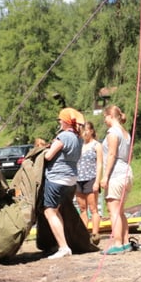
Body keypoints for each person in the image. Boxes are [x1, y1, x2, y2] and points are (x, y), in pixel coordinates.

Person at [42, 108, 83, 259]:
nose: (59, 122)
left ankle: (64, 247)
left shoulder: (63, 136)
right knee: (56, 211)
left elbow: (48, 156)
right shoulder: (78, 138)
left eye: (60, 119)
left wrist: (45, 149)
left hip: (57, 178)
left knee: (49, 212)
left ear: (65, 122)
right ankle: (63, 244)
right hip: (71, 179)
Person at [99, 105, 133, 255]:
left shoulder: (113, 132)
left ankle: (118, 243)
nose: (104, 120)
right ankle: (126, 242)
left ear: (110, 116)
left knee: (113, 211)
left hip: (116, 174)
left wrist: (105, 176)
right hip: (126, 173)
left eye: (105, 117)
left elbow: (112, 155)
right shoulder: (126, 133)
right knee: (121, 211)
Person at [75, 121, 103, 245]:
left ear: (91, 131)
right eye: (82, 131)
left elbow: (100, 164)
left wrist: (97, 181)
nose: (84, 133)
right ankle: (84, 234)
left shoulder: (96, 145)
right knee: (82, 208)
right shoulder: (79, 145)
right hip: (78, 179)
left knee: (93, 208)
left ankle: (95, 234)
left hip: (91, 178)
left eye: (86, 130)